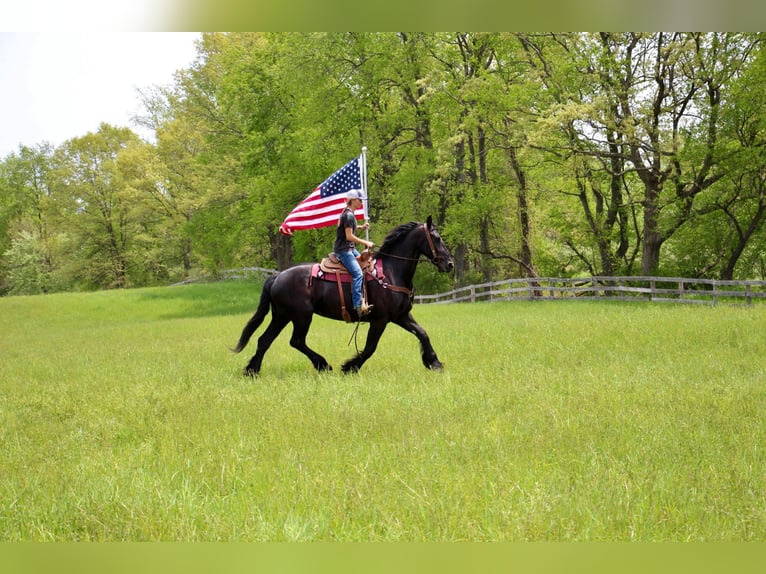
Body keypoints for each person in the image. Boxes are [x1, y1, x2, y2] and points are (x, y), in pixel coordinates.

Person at [334, 190, 374, 317]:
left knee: (366, 263)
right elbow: (349, 235)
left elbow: (348, 227)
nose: (361, 202)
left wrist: (361, 227)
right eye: (359, 200)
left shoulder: (348, 213)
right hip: (344, 251)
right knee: (357, 274)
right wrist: (365, 242)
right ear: (353, 200)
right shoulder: (349, 215)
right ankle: (357, 306)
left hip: (350, 249)